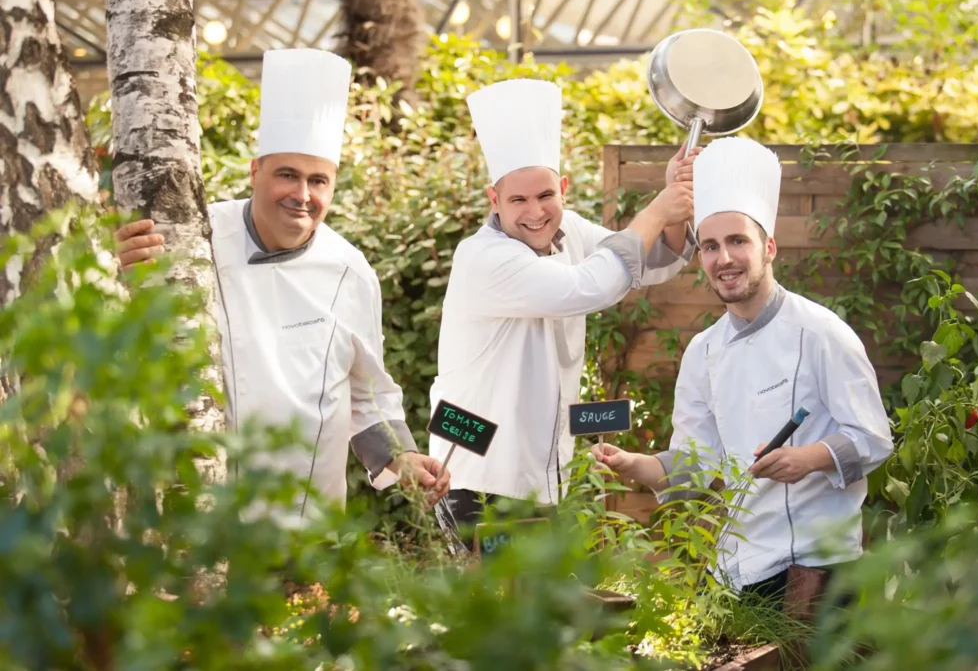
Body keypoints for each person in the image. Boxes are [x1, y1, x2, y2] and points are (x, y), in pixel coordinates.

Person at [114, 48, 450, 522]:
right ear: (255, 171)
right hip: (194, 521)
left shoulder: (350, 272)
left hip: (304, 527)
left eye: (319, 181)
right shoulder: (194, 237)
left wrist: (403, 458)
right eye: (287, 175)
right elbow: (121, 335)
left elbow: (366, 395)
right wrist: (116, 271)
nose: (303, 195)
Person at [591, 136, 893, 603]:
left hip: (816, 571)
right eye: (710, 246)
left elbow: (873, 438)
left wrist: (806, 458)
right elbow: (696, 464)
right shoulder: (703, 352)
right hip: (735, 572)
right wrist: (635, 466)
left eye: (737, 241)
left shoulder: (820, 333)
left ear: (768, 246)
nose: (724, 258)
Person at [429, 77, 700, 548]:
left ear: (564, 189)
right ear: (494, 200)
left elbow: (648, 261)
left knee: (532, 611)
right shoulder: (481, 257)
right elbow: (589, 285)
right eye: (518, 199)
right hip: (478, 471)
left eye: (545, 195)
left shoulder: (569, 231)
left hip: (536, 472)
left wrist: (675, 206)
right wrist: (656, 210)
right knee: (502, 609)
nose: (535, 212)